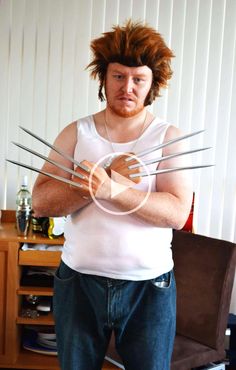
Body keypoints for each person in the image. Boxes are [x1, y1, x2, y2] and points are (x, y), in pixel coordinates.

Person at [32, 20, 192, 370]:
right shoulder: (77, 132)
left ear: (153, 84)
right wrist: (96, 183)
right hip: (78, 282)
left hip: (150, 288)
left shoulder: (168, 138)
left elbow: (177, 213)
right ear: (104, 78)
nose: (127, 87)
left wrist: (113, 190)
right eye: (118, 76)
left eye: (138, 79)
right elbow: (41, 202)